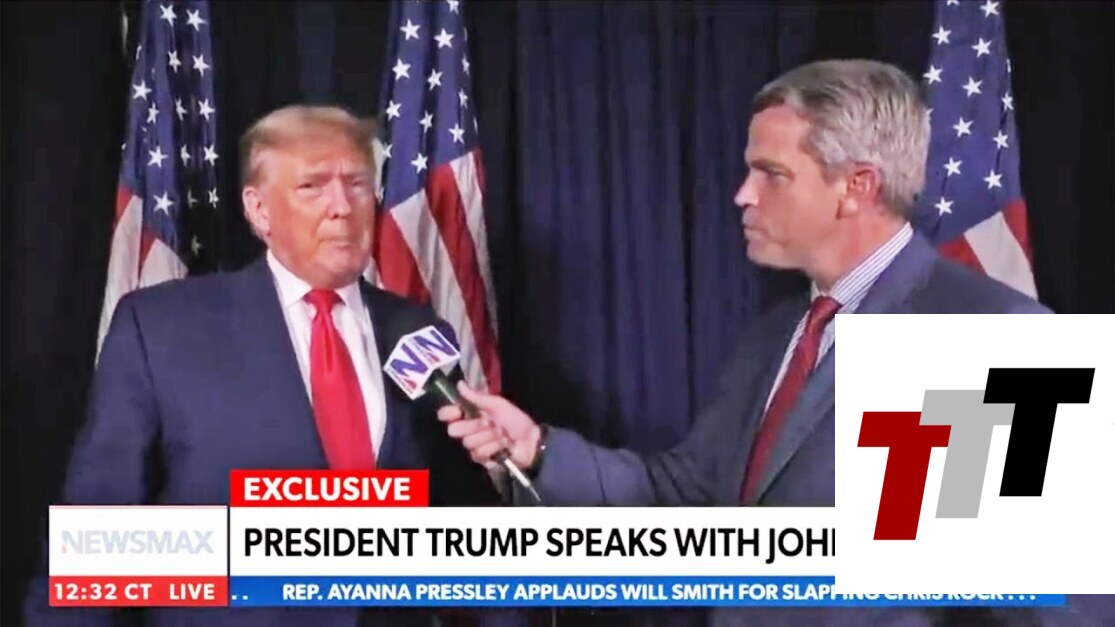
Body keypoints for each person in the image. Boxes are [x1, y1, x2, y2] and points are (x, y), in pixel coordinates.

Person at [438, 60, 1058, 627]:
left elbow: (1048, 606)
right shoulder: (776, 335)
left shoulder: (995, 336)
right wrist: (538, 450)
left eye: (772, 174)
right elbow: (685, 497)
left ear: (857, 186)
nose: (743, 194)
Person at [24, 105, 499, 626]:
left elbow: (468, 530)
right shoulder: (161, 329)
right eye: (312, 186)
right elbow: (97, 532)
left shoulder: (417, 333)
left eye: (358, 184)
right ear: (259, 211)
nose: (342, 207)